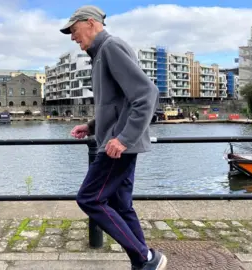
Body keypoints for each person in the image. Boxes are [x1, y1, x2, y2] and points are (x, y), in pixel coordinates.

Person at [61, 5, 167, 270]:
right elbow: (118, 103)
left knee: (89, 198)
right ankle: (143, 263)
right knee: (121, 205)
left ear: (90, 23)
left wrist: (123, 138)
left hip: (116, 146)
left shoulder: (110, 47)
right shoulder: (100, 54)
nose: (73, 37)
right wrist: (91, 126)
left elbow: (146, 95)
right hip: (116, 142)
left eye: (74, 31)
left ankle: (145, 258)